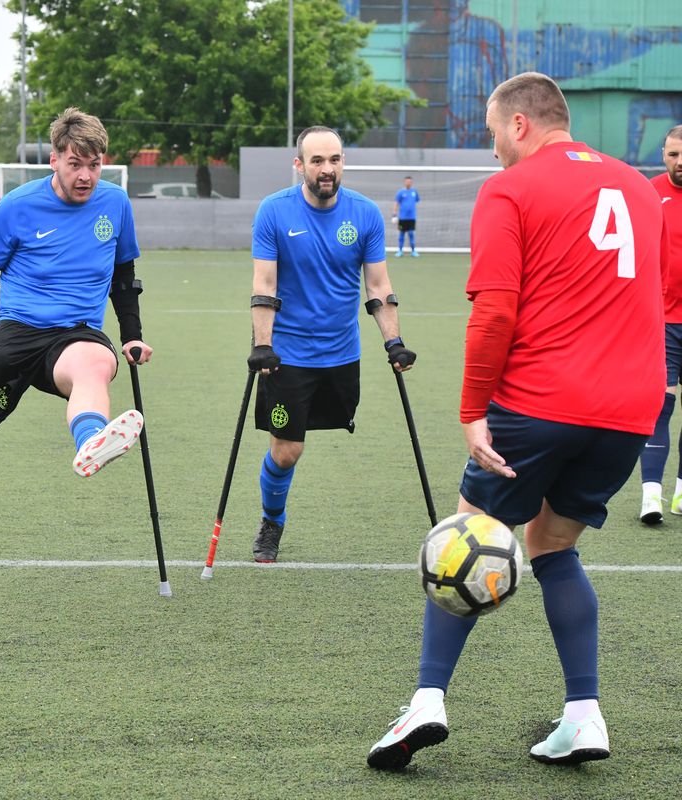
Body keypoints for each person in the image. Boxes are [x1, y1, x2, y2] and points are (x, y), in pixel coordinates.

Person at [367, 73, 667, 771]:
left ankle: (427, 701)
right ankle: (584, 715)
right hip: (629, 409)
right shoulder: (640, 188)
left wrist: (474, 411)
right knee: (554, 546)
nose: (493, 147)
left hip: (539, 401)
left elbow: (496, 311)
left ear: (523, 125)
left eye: (495, 132)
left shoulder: (511, 188)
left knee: (461, 539)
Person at [248, 126, 415, 562]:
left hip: (342, 354)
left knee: (323, 430)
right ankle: (272, 521)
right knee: (286, 450)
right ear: (299, 165)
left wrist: (394, 342)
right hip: (288, 354)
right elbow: (264, 283)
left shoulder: (364, 214)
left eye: (335, 159)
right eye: (317, 161)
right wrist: (262, 344)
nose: (327, 169)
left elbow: (378, 285)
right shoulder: (273, 212)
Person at [0, 107, 149, 477]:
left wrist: (132, 336)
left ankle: (92, 442)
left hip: (77, 332)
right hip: (19, 329)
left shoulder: (115, 203)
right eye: (75, 164)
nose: (86, 176)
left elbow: (124, 276)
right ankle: (89, 434)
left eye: (94, 165)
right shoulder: (15, 206)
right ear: (54, 159)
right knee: (0, 396)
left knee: (96, 364)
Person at [638, 124, 682, 524]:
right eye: (673, 155)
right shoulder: (648, 193)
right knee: (660, 405)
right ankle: (651, 495)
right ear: (663, 154)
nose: (680, 162)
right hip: (663, 318)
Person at [392, 176, 420, 257]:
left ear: (411, 183)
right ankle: (400, 251)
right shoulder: (400, 192)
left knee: (411, 234)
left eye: (410, 182)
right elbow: (396, 203)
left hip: (411, 218)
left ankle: (413, 251)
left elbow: (416, 201)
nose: (408, 183)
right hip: (402, 218)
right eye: (407, 181)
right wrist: (394, 214)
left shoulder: (414, 192)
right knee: (401, 234)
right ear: (404, 182)